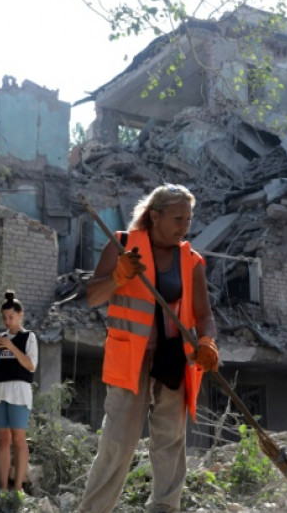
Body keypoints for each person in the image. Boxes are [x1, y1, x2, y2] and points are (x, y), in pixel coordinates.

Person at [78, 183, 220, 513]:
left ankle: (164, 507)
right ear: (155, 216)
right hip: (130, 360)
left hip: (173, 360)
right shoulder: (122, 245)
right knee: (117, 442)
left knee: (170, 441)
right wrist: (118, 277)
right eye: (177, 218)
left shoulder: (191, 261)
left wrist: (207, 341)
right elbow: (93, 296)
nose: (185, 226)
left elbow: (204, 316)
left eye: (188, 219)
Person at [0, 290, 38, 494]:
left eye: (11, 317)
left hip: (19, 391)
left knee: (18, 439)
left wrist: (12, 346)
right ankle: (3, 488)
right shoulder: (0, 339)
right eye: (4, 318)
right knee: (2, 440)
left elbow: (30, 365)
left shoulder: (29, 337)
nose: (7, 322)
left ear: (20, 314)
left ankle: (17, 488)